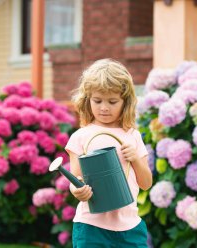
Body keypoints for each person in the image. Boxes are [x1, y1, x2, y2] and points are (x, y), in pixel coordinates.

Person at [65, 58, 153, 247]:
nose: (104, 107)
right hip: (91, 226)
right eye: (97, 101)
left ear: (125, 102)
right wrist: (78, 190)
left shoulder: (133, 136)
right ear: (87, 100)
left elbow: (146, 184)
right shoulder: (81, 137)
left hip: (130, 227)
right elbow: (76, 178)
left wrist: (136, 159)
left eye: (112, 101)